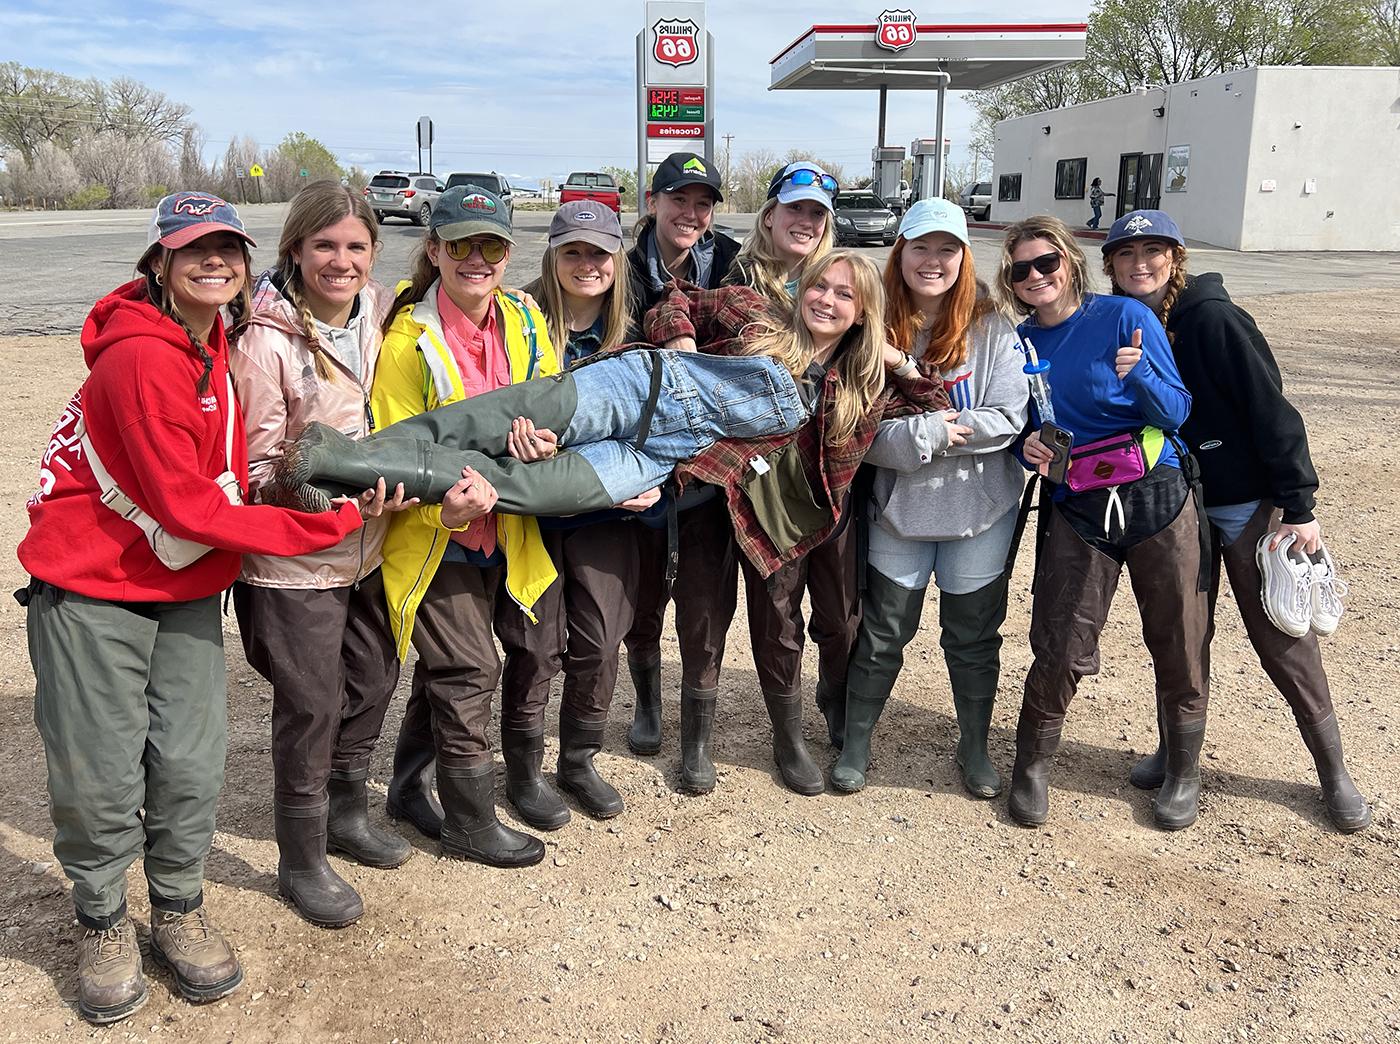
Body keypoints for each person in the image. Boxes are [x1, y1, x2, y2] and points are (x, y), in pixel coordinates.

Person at [275, 253, 951, 797]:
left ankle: (344, 471)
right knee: (484, 420)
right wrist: (681, 338)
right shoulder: (756, 312)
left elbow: (934, 398)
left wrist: (892, 358)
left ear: (863, 312)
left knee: (525, 488)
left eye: (844, 296)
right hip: (640, 387)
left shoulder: (855, 392)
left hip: (653, 457)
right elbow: (675, 296)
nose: (825, 301)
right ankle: (343, 459)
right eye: (821, 286)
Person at [17, 192, 373, 1025]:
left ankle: (176, 904)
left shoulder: (213, 342)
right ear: (160, 265)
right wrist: (330, 520)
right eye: (194, 252)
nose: (215, 264)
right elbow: (186, 506)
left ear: (248, 265)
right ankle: (103, 918)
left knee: (188, 758)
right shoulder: (141, 358)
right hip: (94, 585)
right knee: (102, 767)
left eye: (228, 251)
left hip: (178, 583)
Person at [1101, 209, 1369, 832]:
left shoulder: (1213, 318)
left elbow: (1272, 409)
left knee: (1281, 638)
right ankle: (1179, 760)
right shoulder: (1126, 323)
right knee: (1180, 633)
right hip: (1173, 501)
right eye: (1127, 253)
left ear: (1176, 257)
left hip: (1243, 501)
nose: (1141, 263)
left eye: (1154, 250)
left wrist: (1298, 504)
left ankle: (1333, 771)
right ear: (1110, 264)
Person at [230, 181, 423, 930]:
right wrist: (336, 507)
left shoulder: (383, 314)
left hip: (370, 550)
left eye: (355, 247)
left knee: (375, 675)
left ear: (374, 254)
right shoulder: (266, 338)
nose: (340, 262)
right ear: (295, 249)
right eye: (324, 246)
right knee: (310, 703)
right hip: (293, 561)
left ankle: (348, 808)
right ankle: (300, 856)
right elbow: (257, 471)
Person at [365, 183, 560, 870]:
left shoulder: (526, 320)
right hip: (435, 532)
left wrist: (546, 442)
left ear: (510, 252)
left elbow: (552, 401)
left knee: (462, 666)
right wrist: (438, 510)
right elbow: (394, 449)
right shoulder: (406, 340)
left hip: (507, 530)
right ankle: (471, 821)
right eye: (461, 244)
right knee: (469, 666)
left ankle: (409, 786)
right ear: (434, 250)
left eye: (493, 244)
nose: (477, 258)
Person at [995, 214, 1207, 831]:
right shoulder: (1021, 341)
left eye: (1046, 263)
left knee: (1179, 635)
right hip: (1079, 502)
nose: (1036, 276)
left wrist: (1137, 374)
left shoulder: (1125, 318)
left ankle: (1182, 771)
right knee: (1060, 639)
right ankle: (1032, 766)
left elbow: (1176, 411)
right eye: (1021, 269)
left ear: (1070, 262)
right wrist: (1023, 448)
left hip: (1156, 494)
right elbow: (1019, 422)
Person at [830, 198, 1029, 796]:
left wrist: (939, 433)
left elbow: (1008, 417)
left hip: (980, 511)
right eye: (920, 247)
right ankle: (857, 742)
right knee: (884, 631)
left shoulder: (993, 327)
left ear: (965, 257)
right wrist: (931, 432)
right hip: (899, 510)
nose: (932, 261)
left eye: (947, 249)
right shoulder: (872, 326)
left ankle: (974, 747)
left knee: (972, 636)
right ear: (900, 252)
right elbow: (854, 431)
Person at [502, 200, 662, 827]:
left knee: (600, 640)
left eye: (599, 252)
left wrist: (644, 478)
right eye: (573, 251)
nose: (587, 264)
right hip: (535, 513)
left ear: (618, 257)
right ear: (552, 255)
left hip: (606, 510)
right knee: (535, 646)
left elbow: (660, 418)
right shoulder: (518, 320)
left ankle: (578, 758)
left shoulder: (638, 328)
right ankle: (522, 767)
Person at [623, 151, 740, 756]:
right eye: (678, 200)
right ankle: (647, 702)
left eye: (702, 203)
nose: (690, 213)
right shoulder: (621, 267)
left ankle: (698, 732)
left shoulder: (729, 261)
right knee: (643, 588)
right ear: (653, 202)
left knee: (704, 596)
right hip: (642, 447)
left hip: (710, 454)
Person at [726, 161, 837, 300]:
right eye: (795, 207)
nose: (807, 223)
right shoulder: (738, 281)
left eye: (818, 213)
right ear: (769, 216)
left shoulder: (836, 287)